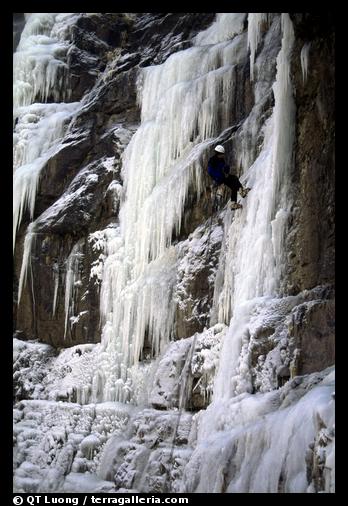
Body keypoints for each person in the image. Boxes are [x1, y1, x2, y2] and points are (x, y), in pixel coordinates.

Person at [207, 145, 250, 209]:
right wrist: (218, 177)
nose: (223, 155)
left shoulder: (221, 160)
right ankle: (241, 191)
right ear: (219, 154)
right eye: (222, 154)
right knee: (234, 179)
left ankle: (234, 203)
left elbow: (224, 168)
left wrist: (226, 169)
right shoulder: (213, 161)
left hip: (222, 177)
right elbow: (210, 171)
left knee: (233, 185)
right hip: (219, 178)